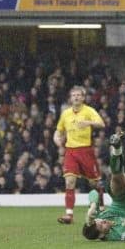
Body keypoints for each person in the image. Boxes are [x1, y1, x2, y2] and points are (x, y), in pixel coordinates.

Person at [82, 133, 125, 241]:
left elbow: (94, 193)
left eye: (98, 221)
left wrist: (92, 206)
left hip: (119, 199)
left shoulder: (98, 217)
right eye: (101, 226)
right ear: (101, 236)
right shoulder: (120, 235)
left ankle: (116, 147)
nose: (102, 221)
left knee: (116, 178)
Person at [54, 85, 105, 224]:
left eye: (79, 95)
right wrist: (57, 138)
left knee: (94, 183)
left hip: (86, 151)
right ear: (70, 98)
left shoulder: (89, 111)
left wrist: (87, 123)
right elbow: (59, 130)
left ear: (83, 97)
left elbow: (102, 124)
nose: (76, 97)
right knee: (70, 181)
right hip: (71, 151)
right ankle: (69, 215)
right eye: (73, 95)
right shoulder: (65, 113)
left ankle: (101, 208)